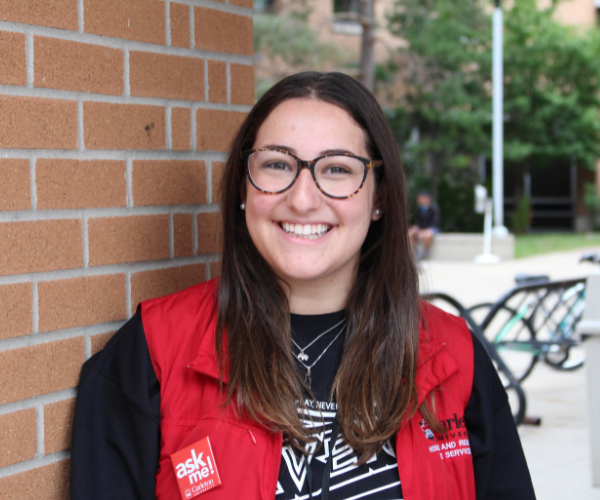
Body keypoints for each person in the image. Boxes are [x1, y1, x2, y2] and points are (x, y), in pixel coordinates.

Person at [71, 72, 536, 500]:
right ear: (242, 187)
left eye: (337, 169)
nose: (302, 198)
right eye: (277, 164)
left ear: (380, 199)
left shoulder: (454, 359)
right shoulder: (153, 352)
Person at [408, 190, 440, 260]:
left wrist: (423, 231)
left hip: (432, 228)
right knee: (409, 233)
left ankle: (424, 253)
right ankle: (415, 252)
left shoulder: (433, 208)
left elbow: (434, 223)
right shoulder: (418, 209)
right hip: (421, 229)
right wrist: (416, 228)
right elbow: (418, 222)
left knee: (428, 235)